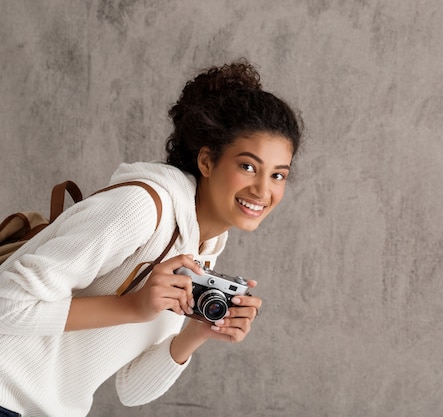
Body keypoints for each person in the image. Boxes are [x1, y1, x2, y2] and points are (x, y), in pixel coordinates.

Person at [0, 59, 302, 417]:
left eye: (279, 175)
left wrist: (198, 331)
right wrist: (134, 306)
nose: (263, 189)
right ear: (207, 161)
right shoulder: (141, 208)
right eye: (248, 166)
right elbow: (7, 305)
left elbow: (132, 389)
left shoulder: (201, 251)